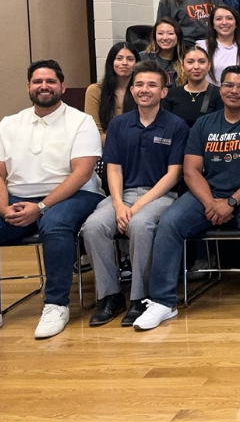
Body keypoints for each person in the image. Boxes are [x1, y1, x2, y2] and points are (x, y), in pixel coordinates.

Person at [0, 60, 103, 345]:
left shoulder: (80, 121)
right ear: (28, 87)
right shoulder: (9, 124)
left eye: (50, 81)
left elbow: (82, 173)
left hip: (73, 194)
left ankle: (56, 304)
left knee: (55, 224)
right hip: (17, 197)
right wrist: (3, 209)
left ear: (62, 86)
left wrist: (42, 207)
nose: (43, 86)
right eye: (37, 82)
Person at [133, 65, 240, 331]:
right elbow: (191, 170)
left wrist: (232, 202)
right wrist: (210, 203)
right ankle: (162, 302)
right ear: (220, 89)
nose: (233, 91)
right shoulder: (205, 123)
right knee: (170, 222)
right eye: (228, 85)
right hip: (209, 194)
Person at [80, 61, 189, 328]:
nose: (145, 89)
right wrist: (118, 204)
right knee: (93, 226)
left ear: (164, 92)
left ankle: (140, 297)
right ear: (131, 90)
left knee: (140, 225)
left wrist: (138, 205)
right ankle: (110, 295)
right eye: (139, 84)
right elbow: (112, 169)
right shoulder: (118, 125)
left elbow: (173, 175)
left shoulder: (176, 126)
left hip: (161, 196)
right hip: (122, 194)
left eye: (152, 84)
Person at [86, 42, 138, 144]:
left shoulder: (141, 91)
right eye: (119, 58)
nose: (124, 63)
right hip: (105, 148)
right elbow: (94, 131)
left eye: (130, 59)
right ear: (111, 62)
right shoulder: (95, 90)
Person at [196, 5, 240, 85]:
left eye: (229, 18)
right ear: (213, 24)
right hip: (210, 96)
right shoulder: (201, 47)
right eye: (219, 19)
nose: (224, 22)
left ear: (236, 23)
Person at [162, 45, 223, 128]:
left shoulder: (219, 94)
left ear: (209, 66)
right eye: (190, 62)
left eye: (201, 62)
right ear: (182, 66)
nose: (196, 67)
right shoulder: (171, 94)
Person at [139, 18, 184, 86]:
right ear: (155, 36)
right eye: (160, 33)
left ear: (178, 36)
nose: (165, 38)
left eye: (170, 33)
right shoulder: (143, 57)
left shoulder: (185, 60)